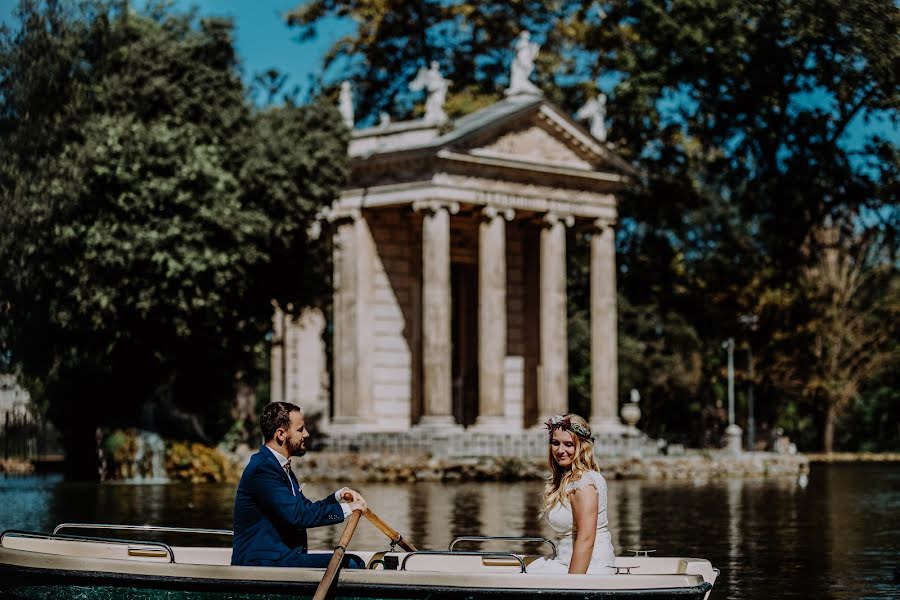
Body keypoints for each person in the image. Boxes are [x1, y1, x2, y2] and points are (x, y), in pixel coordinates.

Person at [231, 401, 368, 568]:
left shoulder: (279, 467)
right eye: (300, 429)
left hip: (281, 559)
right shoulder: (264, 469)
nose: (307, 434)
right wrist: (348, 509)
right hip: (261, 565)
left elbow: (305, 509)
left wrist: (337, 497)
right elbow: (298, 516)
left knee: (353, 562)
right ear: (281, 434)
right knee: (352, 563)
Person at [527, 414, 616, 574]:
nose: (560, 450)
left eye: (568, 444)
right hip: (567, 560)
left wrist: (572, 584)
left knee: (525, 575)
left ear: (582, 446)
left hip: (588, 568)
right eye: (555, 443)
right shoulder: (568, 478)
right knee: (529, 568)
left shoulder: (582, 483)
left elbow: (586, 539)